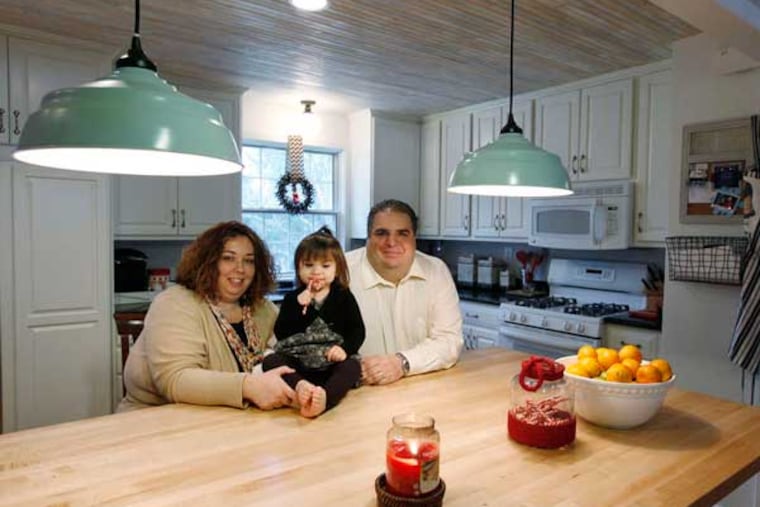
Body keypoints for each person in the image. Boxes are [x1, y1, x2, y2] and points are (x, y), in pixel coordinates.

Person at [118, 221, 296, 412]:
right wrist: (248, 387)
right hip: (154, 422)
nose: (240, 269)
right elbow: (176, 380)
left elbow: (292, 349)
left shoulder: (264, 309)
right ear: (208, 262)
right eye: (228, 258)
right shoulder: (175, 303)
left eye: (249, 260)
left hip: (234, 420)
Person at [346, 199, 463, 386]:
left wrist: (402, 363)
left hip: (420, 386)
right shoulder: (341, 272)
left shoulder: (436, 270)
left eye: (403, 233)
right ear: (368, 237)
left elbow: (449, 341)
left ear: (414, 238)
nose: (391, 242)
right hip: (356, 391)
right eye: (381, 233)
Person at [263, 227, 365, 418]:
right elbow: (282, 333)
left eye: (325, 266)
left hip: (330, 363)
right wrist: (298, 307)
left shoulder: (344, 297)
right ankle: (301, 386)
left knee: (353, 366)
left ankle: (325, 398)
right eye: (309, 265)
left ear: (337, 269)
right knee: (270, 361)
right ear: (298, 268)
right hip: (299, 362)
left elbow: (357, 330)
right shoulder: (292, 298)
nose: (316, 272)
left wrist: (344, 349)